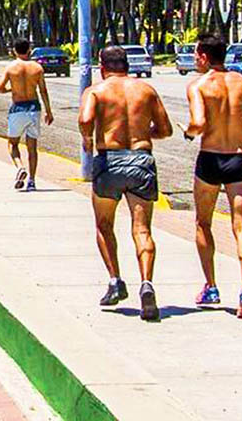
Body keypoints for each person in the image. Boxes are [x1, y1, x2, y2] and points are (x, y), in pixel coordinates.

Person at [79, 45, 173, 321]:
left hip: (110, 161)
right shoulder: (145, 90)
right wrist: (143, 133)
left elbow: (85, 118)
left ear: (102, 65)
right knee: (142, 228)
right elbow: (165, 129)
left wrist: (87, 139)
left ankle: (115, 280)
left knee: (104, 224)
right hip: (141, 160)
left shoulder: (96, 91)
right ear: (128, 65)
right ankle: (147, 283)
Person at [185, 33, 242, 320]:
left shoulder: (199, 85)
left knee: (203, 222)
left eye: (197, 55)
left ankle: (211, 286)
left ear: (205, 57)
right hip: (238, 157)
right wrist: (239, 122)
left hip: (210, 157)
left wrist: (189, 132)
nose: (195, 59)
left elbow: (198, 123)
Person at [0, 39, 54, 192]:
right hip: (34, 108)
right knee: (32, 147)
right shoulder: (37, 68)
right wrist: (49, 111)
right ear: (29, 50)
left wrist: (12, 89)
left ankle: (20, 167)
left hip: (18, 108)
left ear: (14, 51)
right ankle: (32, 181)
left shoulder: (10, 68)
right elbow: (43, 91)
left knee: (12, 143)